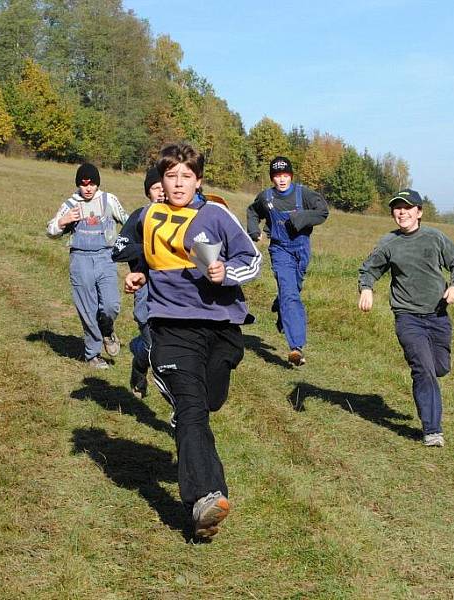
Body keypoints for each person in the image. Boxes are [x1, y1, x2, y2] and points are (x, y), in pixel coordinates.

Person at [123, 143, 261, 539]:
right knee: (192, 409)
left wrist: (226, 273)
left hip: (220, 328)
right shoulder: (148, 215)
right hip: (171, 327)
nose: (178, 183)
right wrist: (139, 275)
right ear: (160, 181)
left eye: (186, 176)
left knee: (209, 400)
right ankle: (205, 500)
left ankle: (200, 477)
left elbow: (251, 259)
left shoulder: (214, 215)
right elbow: (144, 256)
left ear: (198, 181)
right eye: (171, 176)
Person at [358, 189, 454, 448]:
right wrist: (366, 288)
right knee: (423, 370)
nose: (402, 212)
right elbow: (369, 269)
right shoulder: (389, 243)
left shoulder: (434, 238)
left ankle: (429, 387)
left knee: (440, 367)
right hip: (407, 317)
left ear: (419, 212)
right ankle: (432, 430)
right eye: (397, 208)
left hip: (438, 315)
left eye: (407, 207)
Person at [246, 156, 328, 366]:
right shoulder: (266, 197)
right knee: (291, 294)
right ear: (272, 178)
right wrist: (254, 230)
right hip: (280, 249)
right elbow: (253, 211)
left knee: (292, 291)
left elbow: (323, 212)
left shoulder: (304, 194)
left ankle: (281, 306)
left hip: (302, 248)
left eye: (285, 175)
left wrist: (300, 219)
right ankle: (296, 347)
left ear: (291, 176)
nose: (281, 180)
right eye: (277, 176)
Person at [47, 163, 129, 368]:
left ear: (97, 183)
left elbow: (127, 221)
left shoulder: (109, 199)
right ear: (78, 185)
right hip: (80, 260)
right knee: (87, 309)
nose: (88, 188)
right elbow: (51, 231)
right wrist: (64, 221)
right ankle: (93, 354)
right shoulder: (70, 203)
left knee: (111, 304)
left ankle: (107, 329)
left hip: (106, 258)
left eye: (92, 184)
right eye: (84, 185)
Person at [112, 166, 165, 398]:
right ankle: (139, 365)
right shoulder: (139, 217)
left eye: (164, 187)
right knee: (151, 344)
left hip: (174, 292)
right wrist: (148, 250)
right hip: (145, 289)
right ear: (148, 193)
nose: (161, 192)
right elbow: (118, 250)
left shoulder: (181, 217)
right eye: (156, 188)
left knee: (168, 350)